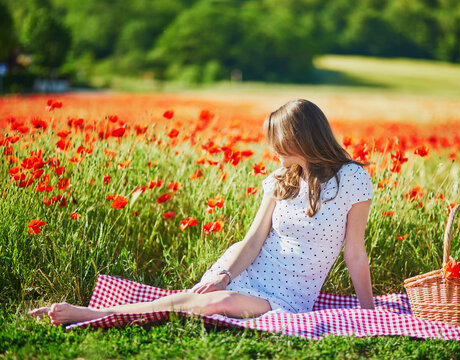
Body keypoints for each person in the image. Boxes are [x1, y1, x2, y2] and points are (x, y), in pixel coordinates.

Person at [29, 99, 374, 325]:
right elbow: (253, 241)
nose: (271, 148)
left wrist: (369, 313)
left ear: (301, 138)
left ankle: (96, 314)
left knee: (213, 304)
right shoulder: (280, 179)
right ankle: (97, 314)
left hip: (289, 296)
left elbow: (355, 253)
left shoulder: (353, 179)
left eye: (277, 140)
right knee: (203, 297)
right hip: (245, 271)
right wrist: (223, 274)